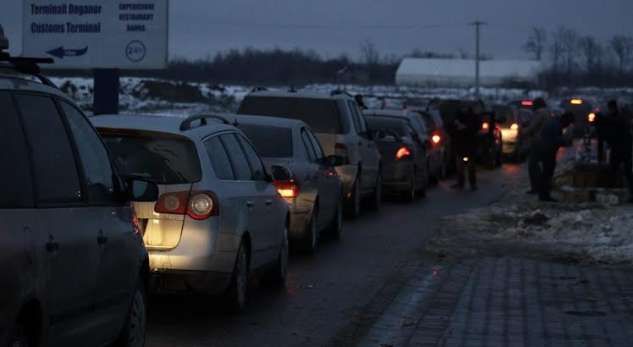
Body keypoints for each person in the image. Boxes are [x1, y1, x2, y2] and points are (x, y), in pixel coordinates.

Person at [529, 112, 575, 202]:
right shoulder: (555, 125)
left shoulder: (554, 123)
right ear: (565, 120)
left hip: (544, 150)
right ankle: (544, 195)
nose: (567, 125)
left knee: (546, 174)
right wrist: (565, 140)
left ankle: (544, 194)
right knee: (547, 174)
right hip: (547, 152)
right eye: (568, 123)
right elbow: (554, 140)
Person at [598, 100, 633, 202]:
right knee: (624, 172)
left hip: (621, 148)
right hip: (622, 148)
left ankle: (611, 192)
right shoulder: (618, 118)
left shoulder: (615, 119)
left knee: (617, 171)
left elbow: (603, 140)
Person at [450, 107, 480, 191]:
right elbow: (452, 130)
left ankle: (471, 183)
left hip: (469, 146)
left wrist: (465, 128)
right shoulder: (458, 117)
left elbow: (476, 128)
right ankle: (462, 183)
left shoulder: (473, 118)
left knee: (470, 166)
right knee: (461, 166)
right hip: (462, 146)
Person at [525, 98, 550, 194]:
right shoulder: (547, 113)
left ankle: (536, 188)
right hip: (545, 141)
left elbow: (533, 127)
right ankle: (542, 186)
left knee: (533, 165)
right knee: (541, 166)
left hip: (538, 141)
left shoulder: (539, 113)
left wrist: (523, 132)